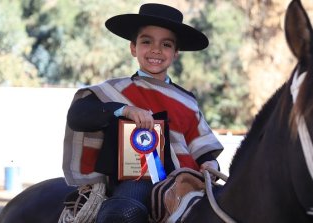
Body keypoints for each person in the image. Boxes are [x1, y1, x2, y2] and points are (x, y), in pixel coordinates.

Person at [63, 3, 223, 223]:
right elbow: (78, 115)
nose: (156, 50)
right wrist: (123, 109)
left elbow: (201, 147)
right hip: (137, 179)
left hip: (188, 179)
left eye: (166, 44)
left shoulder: (187, 101)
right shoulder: (112, 92)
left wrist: (211, 165)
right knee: (121, 213)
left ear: (175, 53)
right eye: (146, 41)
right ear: (133, 48)